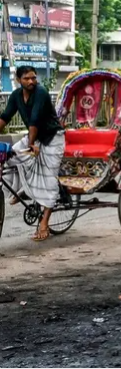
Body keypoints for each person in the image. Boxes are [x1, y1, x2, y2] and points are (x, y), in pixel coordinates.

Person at [0, 66, 65, 241]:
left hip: (52, 137)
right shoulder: (15, 96)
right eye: (27, 79)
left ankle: (44, 223)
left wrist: (30, 144)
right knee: (10, 158)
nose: (31, 81)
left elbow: (34, 120)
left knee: (49, 178)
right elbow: (4, 118)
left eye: (33, 78)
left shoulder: (41, 92)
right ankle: (23, 189)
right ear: (18, 80)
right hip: (34, 137)